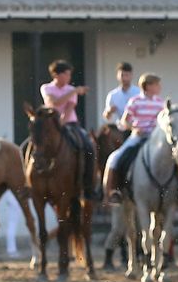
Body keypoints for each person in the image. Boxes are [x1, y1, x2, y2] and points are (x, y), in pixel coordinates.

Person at [38, 60, 99, 201]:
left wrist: (62, 123)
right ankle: (28, 183)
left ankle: (88, 186)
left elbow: (69, 108)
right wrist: (74, 91)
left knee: (89, 147)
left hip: (70, 124)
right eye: (66, 74)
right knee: (30, 145)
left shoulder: (70, 89)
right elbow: (54, 103)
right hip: (49, 125)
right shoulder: (47, 88)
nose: (69, 78)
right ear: (56, 75)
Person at [103, 72, 165, 203]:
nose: (160, 87)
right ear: (147, 86)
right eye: (156, 85)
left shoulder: (161, 103)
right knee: (115, 158)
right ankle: (114, 190)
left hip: (155, 138)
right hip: (137, 136)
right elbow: (125, 121)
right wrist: (134, 128)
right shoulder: (135, 101)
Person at [101, 62, 136, 126]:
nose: (124, 78)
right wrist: (109, 112)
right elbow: (107, 118)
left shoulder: (138, 93)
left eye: (127, 75)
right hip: (119, 128)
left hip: (135, 127)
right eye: (122, 75)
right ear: (117, 76)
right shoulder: (112, 95)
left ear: (131, 76)